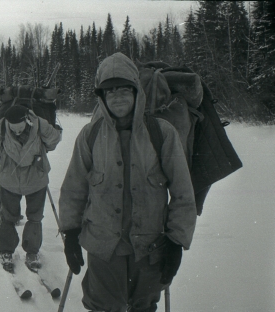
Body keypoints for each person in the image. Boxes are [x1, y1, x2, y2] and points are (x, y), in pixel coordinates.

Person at [58, 52, 197, 312]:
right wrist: (71, 234)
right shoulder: (90, 135)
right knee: (102, 307)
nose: (118, 97)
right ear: (102, 98)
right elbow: (74, 189)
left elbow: (182, 193)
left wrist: (177, 242)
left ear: (136, 92)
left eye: (124, 89)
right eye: (110, 92)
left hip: (149, 248)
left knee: (143, 307)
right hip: (103, 248)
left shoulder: (162, 133)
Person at [0, 105, 62, 272]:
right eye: (13, 128)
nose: (17, 131)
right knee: (8, 216)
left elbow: (54, 140)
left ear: (26, 120)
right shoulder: (2, 126)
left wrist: (44, 128)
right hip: (10, 180)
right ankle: (6, 251)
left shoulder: (38, 124)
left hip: (36, 179)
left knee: (35, 217)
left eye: (20, 128)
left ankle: (32, 252)